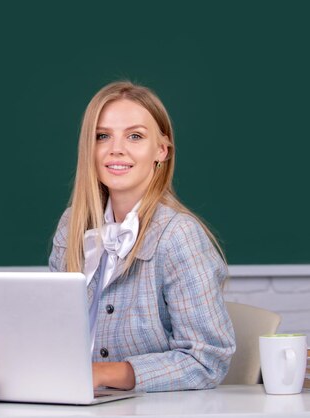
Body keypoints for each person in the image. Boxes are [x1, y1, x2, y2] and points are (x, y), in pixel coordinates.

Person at [49, 81, 235, 392]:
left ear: (161, 150)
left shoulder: (179, 236)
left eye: (135, 136)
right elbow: (51, 332)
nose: (116, 148)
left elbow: (208, 362)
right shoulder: (72, 226)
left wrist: (103, 373)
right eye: (102, 136)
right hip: (70, 402)